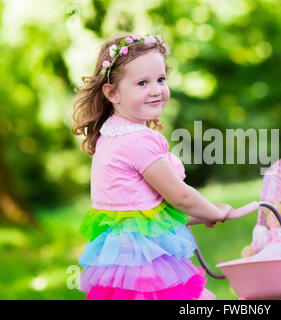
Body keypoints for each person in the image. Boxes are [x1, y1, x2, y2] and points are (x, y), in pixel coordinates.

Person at [72, 33, 232, 300]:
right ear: (112, 92)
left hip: (121, 261)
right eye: (142, 83)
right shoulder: (139, 140)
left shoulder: (111, 134)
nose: (156, 89)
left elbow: (141, 212)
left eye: (161, 79)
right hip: (144, 264)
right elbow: (180, 196)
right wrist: (213, 212)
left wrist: (202, 214)